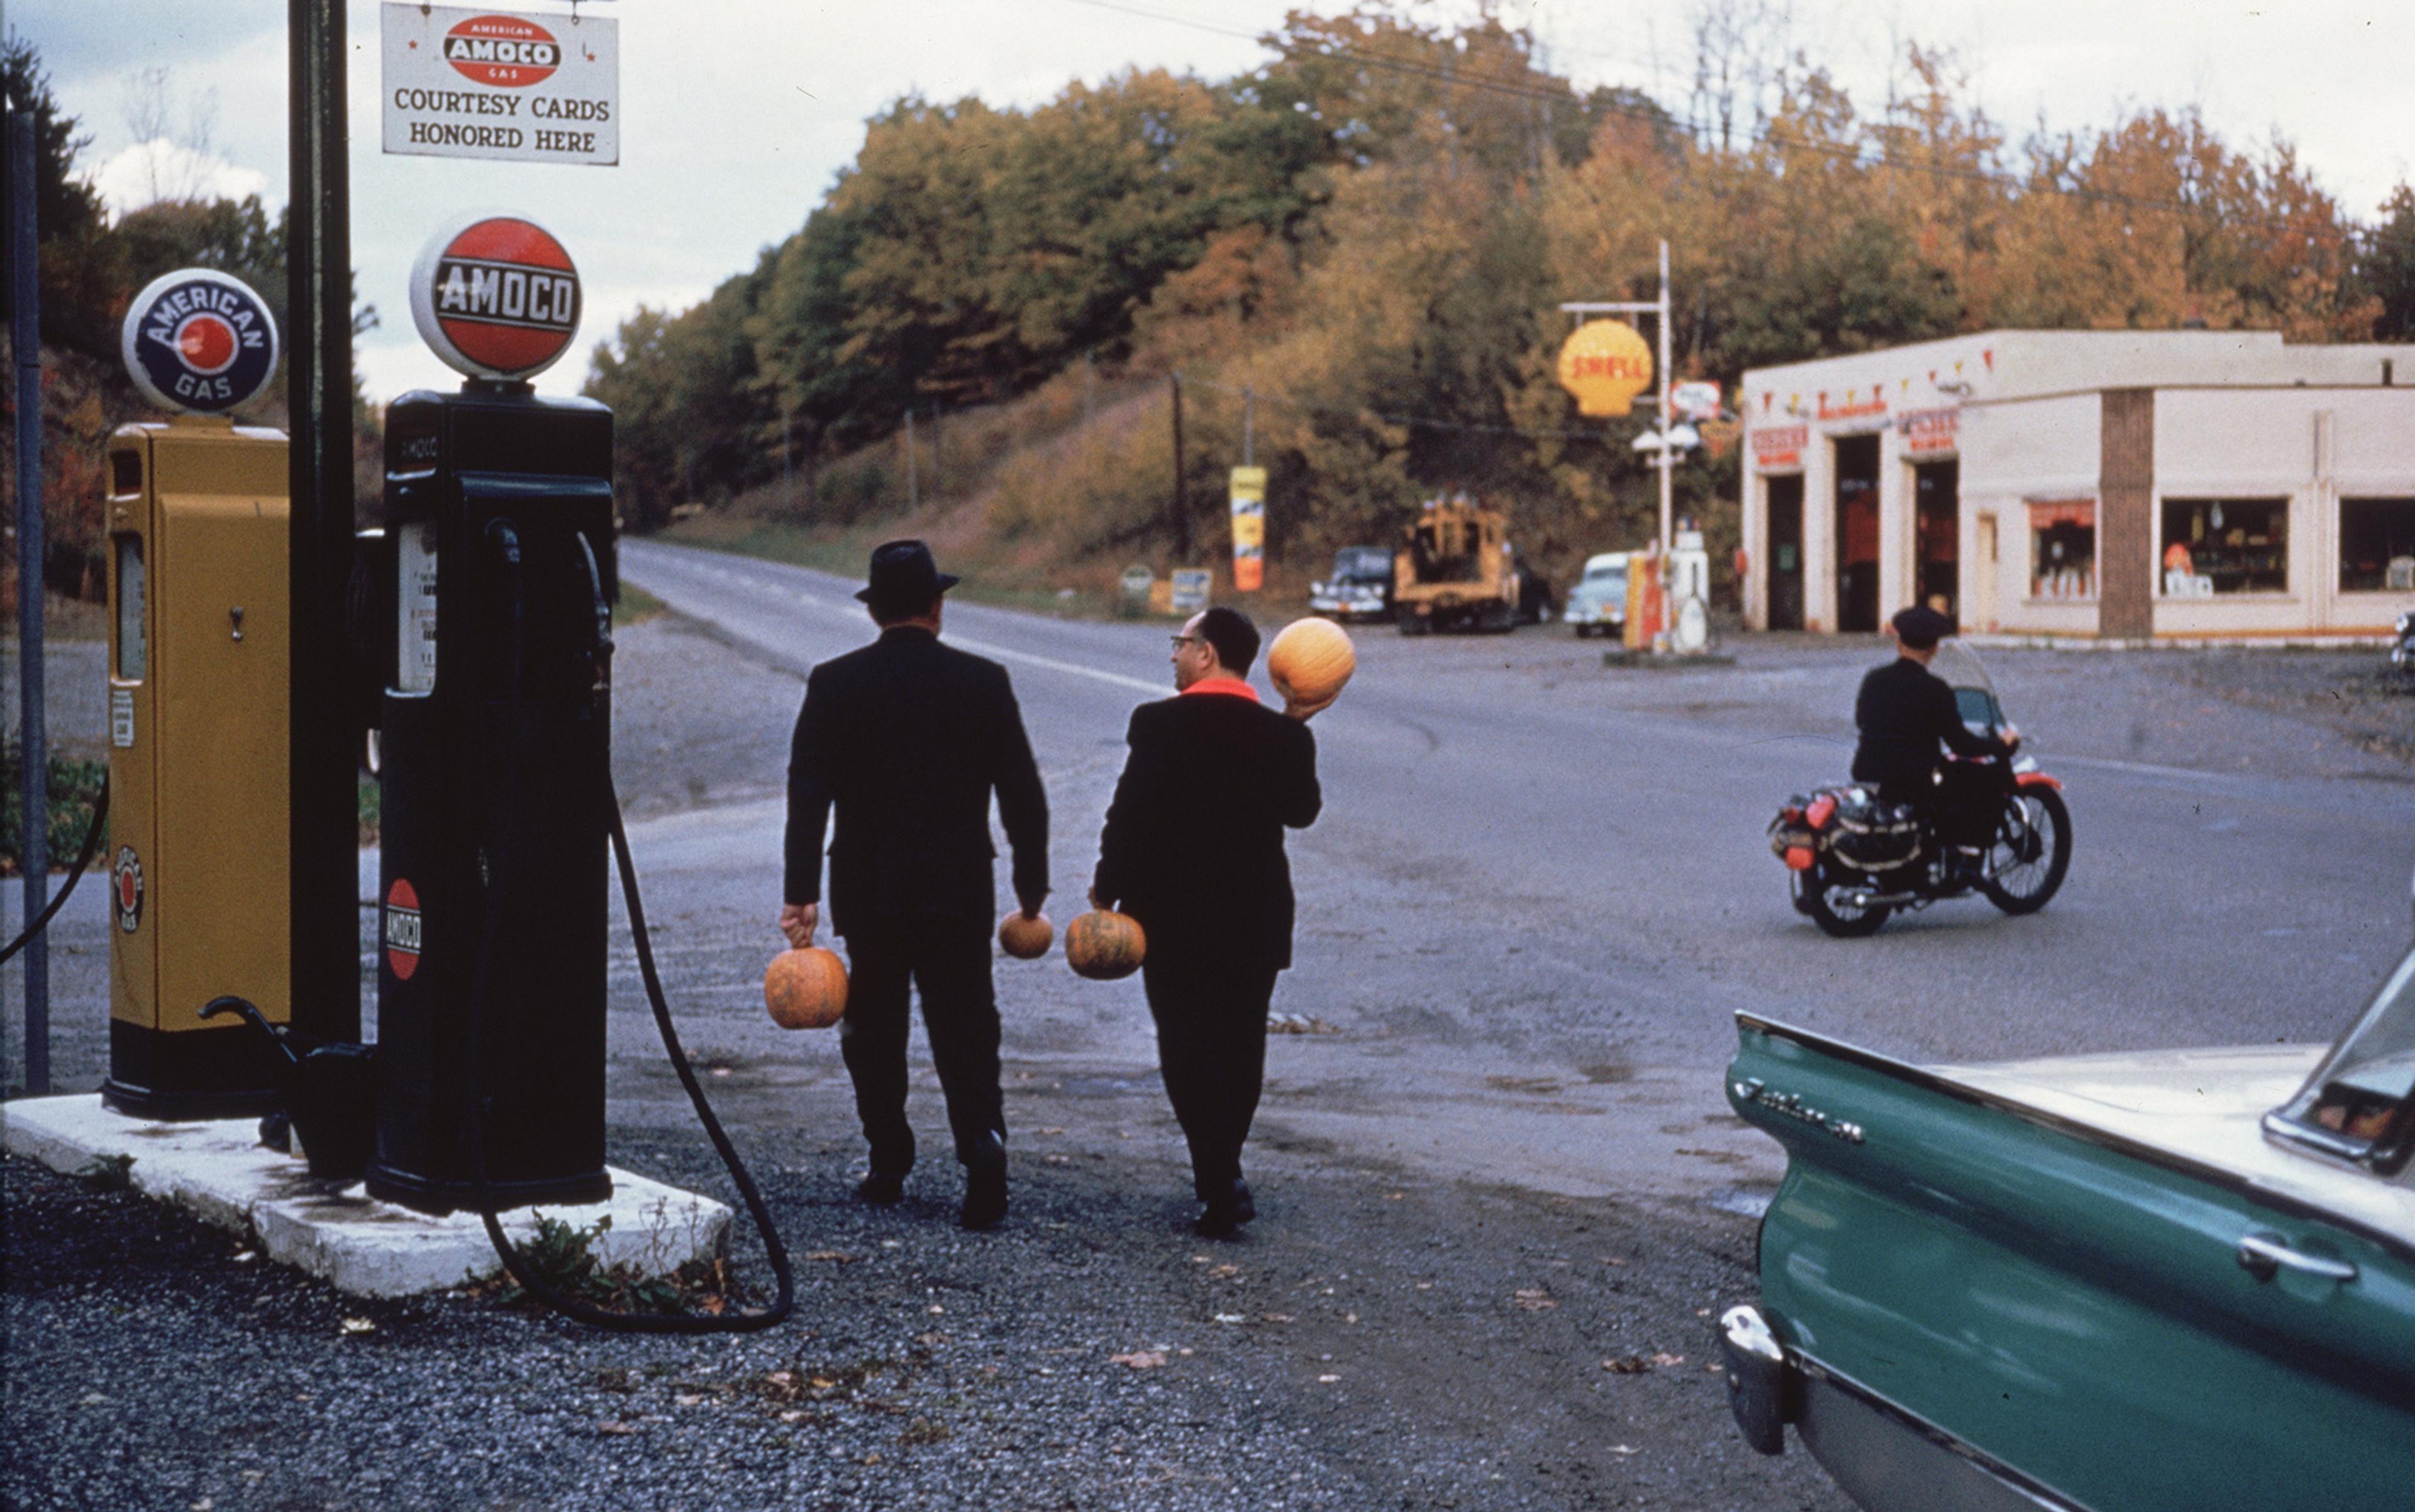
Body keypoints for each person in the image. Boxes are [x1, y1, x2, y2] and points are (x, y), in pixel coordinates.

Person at [780, 540, 1048, 1230]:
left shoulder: (835, 683)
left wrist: (800, 892)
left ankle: (888, 1157)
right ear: (937, 604)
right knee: (966, 1022)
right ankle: (982, 1146)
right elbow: (1022, 791)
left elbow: (807, 797)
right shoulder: (983, 681)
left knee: (872, 1027)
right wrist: (1031, 886)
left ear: (875, 612)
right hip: (958, 885)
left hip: (867, 887)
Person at [1091, 606, 1326, 1237]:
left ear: (1208, 653)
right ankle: (1225, 1170)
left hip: (1172, 916)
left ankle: (1219, 1175)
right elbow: (1301, 812)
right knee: (1241, 1044)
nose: (1173, 655)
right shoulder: (1284, 734)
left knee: (1186, 1044)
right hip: (1256, 917)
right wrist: (1294, 731)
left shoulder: (1158, 722)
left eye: (1181, 643)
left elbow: (1129, 812)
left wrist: (1104, 891)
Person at [1851, 604, 2016, 880]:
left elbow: (1861, 721)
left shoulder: (1874, 680)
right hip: (1915, 779)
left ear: (1899, 642)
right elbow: (1962, 744)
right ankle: (1967, 861)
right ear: (1935, 649)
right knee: (1986, 779)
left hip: (1867, 770)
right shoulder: (1935, 689)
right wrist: (2001, 746)